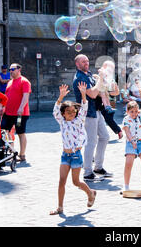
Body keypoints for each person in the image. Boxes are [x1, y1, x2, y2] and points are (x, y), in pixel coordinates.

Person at [50, 83, 96, 215]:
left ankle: (90, 193)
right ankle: (60, 207)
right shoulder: (62, 122)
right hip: (65, 155)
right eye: (68, 112)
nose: (71, 114)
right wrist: (60, 97)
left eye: (73, 112)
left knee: (76, 182)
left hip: (76, 156)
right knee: (61, 181)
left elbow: (84, 108)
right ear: (63, 114)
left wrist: (83, 94)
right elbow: (55, 111)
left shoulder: (78, 120)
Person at [73, 54, 112, 181]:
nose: (86, 63)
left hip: (97, 111)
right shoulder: (80, 78)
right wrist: (100, 78)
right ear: (77, 64)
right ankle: (87, 172)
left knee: (105, 137)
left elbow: (100, 91)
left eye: (87, 60)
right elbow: (93, 94)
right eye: (83, 61)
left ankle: (98, 167)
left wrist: (105, 84)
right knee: (91, 141)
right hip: (88, 113)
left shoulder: (88, 74)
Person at [0, 63, 32, 163]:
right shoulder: (10, 82)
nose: (10, 71)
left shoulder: (24, 81)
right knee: (4, 131)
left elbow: (25, 96)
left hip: (19, 114)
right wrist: (3, 107)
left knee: (20, 132)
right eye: (10, 69)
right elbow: (6, 97)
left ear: (19, 69)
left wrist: (21, 108)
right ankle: (12, 151)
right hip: (8, 113)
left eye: (13, 69)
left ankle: (22, 155)